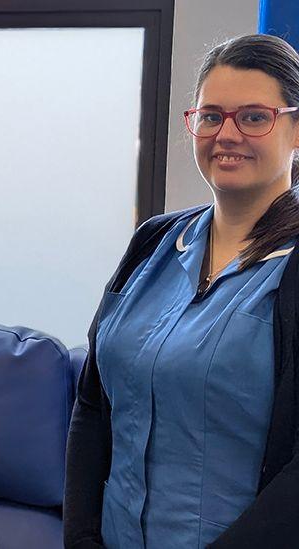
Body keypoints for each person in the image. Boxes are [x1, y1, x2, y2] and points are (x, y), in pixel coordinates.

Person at [64, 34, 299, 548]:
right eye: (211, 116)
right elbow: (92, 405)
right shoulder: (153, 241)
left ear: (296, 129)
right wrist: (81, 538)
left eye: (255, 117)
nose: (227, 134)